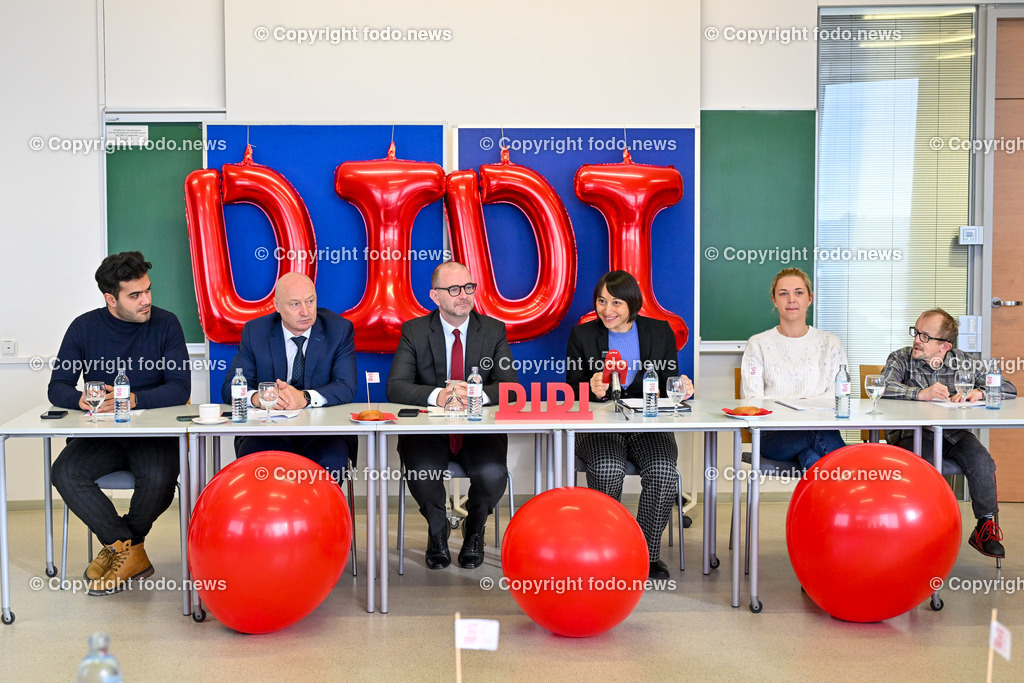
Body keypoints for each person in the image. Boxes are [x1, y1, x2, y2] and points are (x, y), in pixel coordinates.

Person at [49, 252, 191, 596]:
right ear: (110, 299)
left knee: (158, 478)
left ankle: (119, 549)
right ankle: (129, 550)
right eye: (135, 295)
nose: (146, 300)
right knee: (64, 473)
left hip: (154, 435)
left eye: (148, 290)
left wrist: (134, 399)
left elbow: (180, 388)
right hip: (102, 434)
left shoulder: (167, 323)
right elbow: (57, 387)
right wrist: (80, 400)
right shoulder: (83, 327)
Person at [386, 261, 517, 570]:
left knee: (492, 475)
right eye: (454, 289)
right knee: (422, 473)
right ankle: (437, 530)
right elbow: (396, 387)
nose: (464, 295)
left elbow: (510, 388)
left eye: (469, 287)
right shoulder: (415, 331)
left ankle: (475, 529)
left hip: (478, 432)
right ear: (435, 296)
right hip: (428, 432)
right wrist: (439, 396)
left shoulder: (493, 330)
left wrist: (475, 395)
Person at [566, 270, 693, 580]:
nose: (607, 310)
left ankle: (646, 553)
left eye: (616, 303)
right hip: (599, 427)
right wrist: (590, 388)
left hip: (647, 425)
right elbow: (572, 390)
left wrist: (682, 387)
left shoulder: (659, 332)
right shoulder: (582, 335)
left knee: (663, 470)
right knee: (607, 468)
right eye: (601, 301)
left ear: (632, 303)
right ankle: (607, 551)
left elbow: (668, 384)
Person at [881, 308, 1013, 559]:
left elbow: (1007, 387)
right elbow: (882, 387)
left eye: (925, 336)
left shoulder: (964, 361)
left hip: (953, 433)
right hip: (912, 433)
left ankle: (985, 527)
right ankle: (923, 531)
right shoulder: (901, 358)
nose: (917, 340)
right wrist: (920, 393)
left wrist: (981, 392)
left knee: (981, 460)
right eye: (916, 332)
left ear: (945, 346)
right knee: (927, 466)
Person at [222, 272, 357, 478]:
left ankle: (317, 502)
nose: (305, 311)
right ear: (277, 306)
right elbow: (230, 388)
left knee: (331, 466)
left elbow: (346, 386)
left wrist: (304, 398)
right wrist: (259, 398)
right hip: (268, 433)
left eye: (310, 301)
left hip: (323, 432)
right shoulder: (255, 332)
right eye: (295, 304)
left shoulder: (338, 330)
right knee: (257, 468)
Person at [740, 267, 847, 468]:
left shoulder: (830, 343)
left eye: (798, 292)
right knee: (814, 431)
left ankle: (831, 484)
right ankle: (858, 473)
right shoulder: (758, 344)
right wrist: (804, 406)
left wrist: (788, 403)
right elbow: (753, 400)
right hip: (773, 436)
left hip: (819, 431)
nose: (791, 299)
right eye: (783, 294)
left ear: (809, 299)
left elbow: (839, 397)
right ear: (774, 299)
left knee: (813, 459)